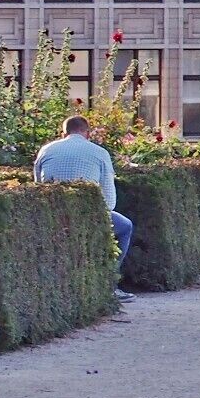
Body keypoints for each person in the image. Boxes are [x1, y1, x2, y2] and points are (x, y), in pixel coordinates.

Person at [35, 116, 133, 301]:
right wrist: (102, 215)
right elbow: (109, 196)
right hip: (87, 213)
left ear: (63, 133)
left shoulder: (46, 150)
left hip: (52, 214)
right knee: (125, 227)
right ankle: (109, 282)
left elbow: (38, 185)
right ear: (87, 133)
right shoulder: (99, 152)